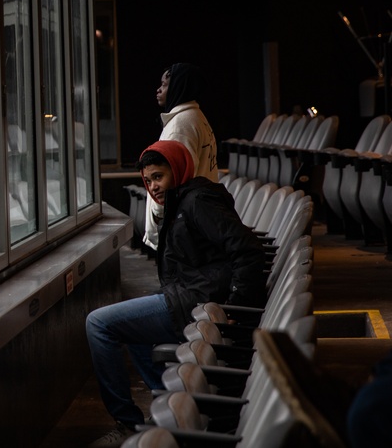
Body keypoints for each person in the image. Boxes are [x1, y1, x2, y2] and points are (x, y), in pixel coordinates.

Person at [85, 140, 265, 446]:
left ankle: (128, 421)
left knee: (99, 324)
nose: (153, 186)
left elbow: (248, 251)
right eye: (148, 180)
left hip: (198, 303)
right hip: (189, 296)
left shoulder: (197, 202)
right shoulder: (183, 200)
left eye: (159, 177)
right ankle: (168, 406)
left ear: (177, 170)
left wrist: (235, 307)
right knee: (129, 329)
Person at [143, 63, 218, 251]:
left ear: (179, 86)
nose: (159, 89)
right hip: (192, 220)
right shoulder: (195, 117)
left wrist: (160, 216)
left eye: (165, 84)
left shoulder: (181, 125)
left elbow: (173, 179)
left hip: (181, 226)